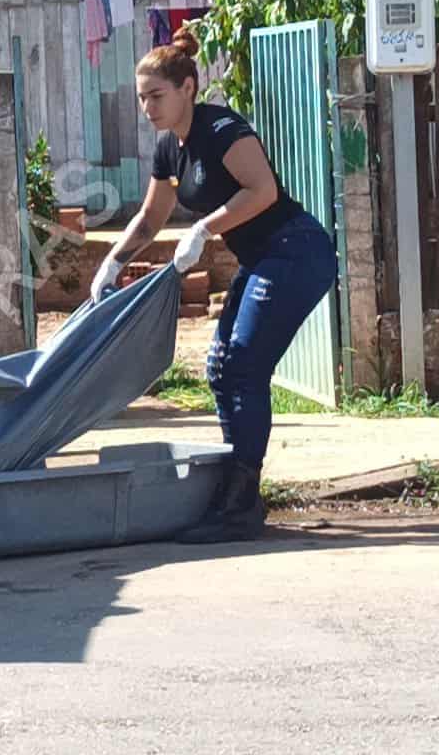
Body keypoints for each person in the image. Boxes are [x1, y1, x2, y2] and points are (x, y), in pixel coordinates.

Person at [89, 31, 338, 544]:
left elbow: (263, 191)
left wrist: (204, 229)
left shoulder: (222, 128)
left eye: (156, 96)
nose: (147, 107)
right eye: (141, 97)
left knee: (243, 363)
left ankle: (240, 502)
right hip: (263, 257)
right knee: (221, 366)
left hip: (295, 250)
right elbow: (152, 216)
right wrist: (112, 263)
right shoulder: (169, 149)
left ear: (188, 88)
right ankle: (236, 490)